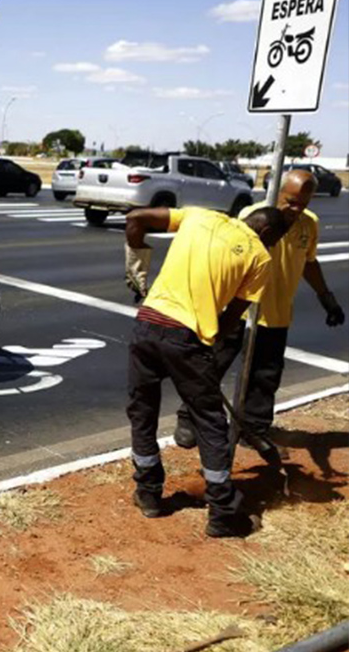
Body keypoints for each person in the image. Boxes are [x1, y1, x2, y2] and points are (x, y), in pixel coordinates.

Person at [124, 205, 288, 537]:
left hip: (147, 324)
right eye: (275, 241)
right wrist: (208, 346)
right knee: (210, 422)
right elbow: (233, 317)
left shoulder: (199, 216)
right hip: (188, 338)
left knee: (142, 411)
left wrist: (136, 268)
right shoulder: (260, 257)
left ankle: (149, 494)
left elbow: (135, 218)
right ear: (268, 235)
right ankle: (223, 513)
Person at [173, 169, 345, 459]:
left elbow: (308, 262)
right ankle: (189, 416)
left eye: (303, 203)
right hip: (240, 309)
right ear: (278, 191)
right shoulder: (253, 215)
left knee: (266, 376)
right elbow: (227, 257)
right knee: (214, 364)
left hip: (277, 313)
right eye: (290, 201)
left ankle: (253, 429)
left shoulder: (308, 224)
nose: (296, 209)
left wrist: (326, 298)